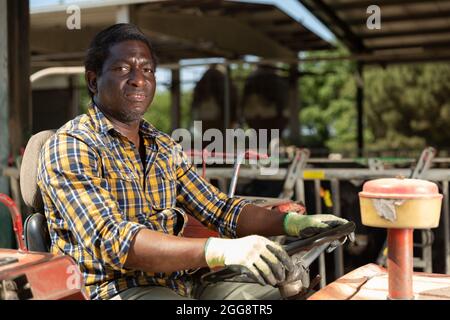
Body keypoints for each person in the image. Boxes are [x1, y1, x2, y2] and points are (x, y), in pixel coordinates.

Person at [37, 23, 349, 300]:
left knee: (272, 294)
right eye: (122, 69)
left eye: (147, 70)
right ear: (93, 80)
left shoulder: (163, 147)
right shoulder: (72, 146)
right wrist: (221, 250)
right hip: (111, 289)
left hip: (181, 283)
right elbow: (117, 242)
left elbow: (219, 209)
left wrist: (293, 225)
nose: (138, 80)